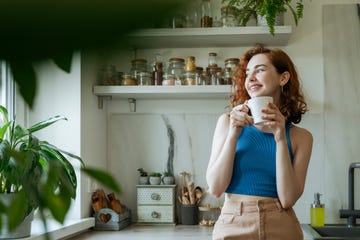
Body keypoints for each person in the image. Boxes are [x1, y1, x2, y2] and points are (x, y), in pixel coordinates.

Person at [206, 45, 313, 240]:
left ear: (283, 78)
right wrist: (233, 135)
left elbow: (288, 199)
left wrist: (280, 137)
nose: (251, 78)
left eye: (260, 70)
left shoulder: (301, 137)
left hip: (282, 225)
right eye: (248, 73)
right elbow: (215, 188)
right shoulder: (227, 122)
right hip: (233, 223)